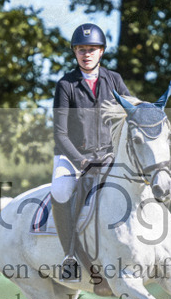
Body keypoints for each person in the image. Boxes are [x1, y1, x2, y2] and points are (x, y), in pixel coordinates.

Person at [51, 23, 132, 282]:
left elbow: (131, 113)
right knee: (61, 191)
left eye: (92, 49)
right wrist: (81, 161)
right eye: (81, 49)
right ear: (75, 52)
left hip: (107, 156)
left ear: (101, 52)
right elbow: (60, 134)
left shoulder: (114, 80)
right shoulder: (66, 85)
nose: (86, 54)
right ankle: (70, 256)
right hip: (72, 156)